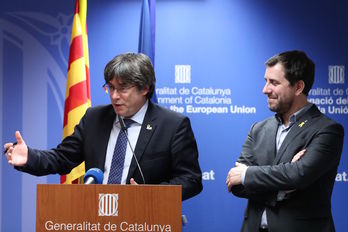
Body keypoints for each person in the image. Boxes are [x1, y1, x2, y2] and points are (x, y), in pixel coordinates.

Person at [4, 52, 203, 201]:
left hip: (146, 218)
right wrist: (29, 157)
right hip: (95, 217)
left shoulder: (173, 125)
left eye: (123, 88)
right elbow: (62, 158)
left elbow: (191, 179)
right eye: (111, 87)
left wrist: (150, 194)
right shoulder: (94, 118)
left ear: (145, 88)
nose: (114, 96)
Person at [226, 50, 344, 232]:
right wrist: (282, 186)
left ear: (298, 87)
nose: (265, 89)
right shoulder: (258, 129)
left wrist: (248, 175)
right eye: (265, 81)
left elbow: (298, 175)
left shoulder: (327, 130)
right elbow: (236, 185)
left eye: (273, 82)